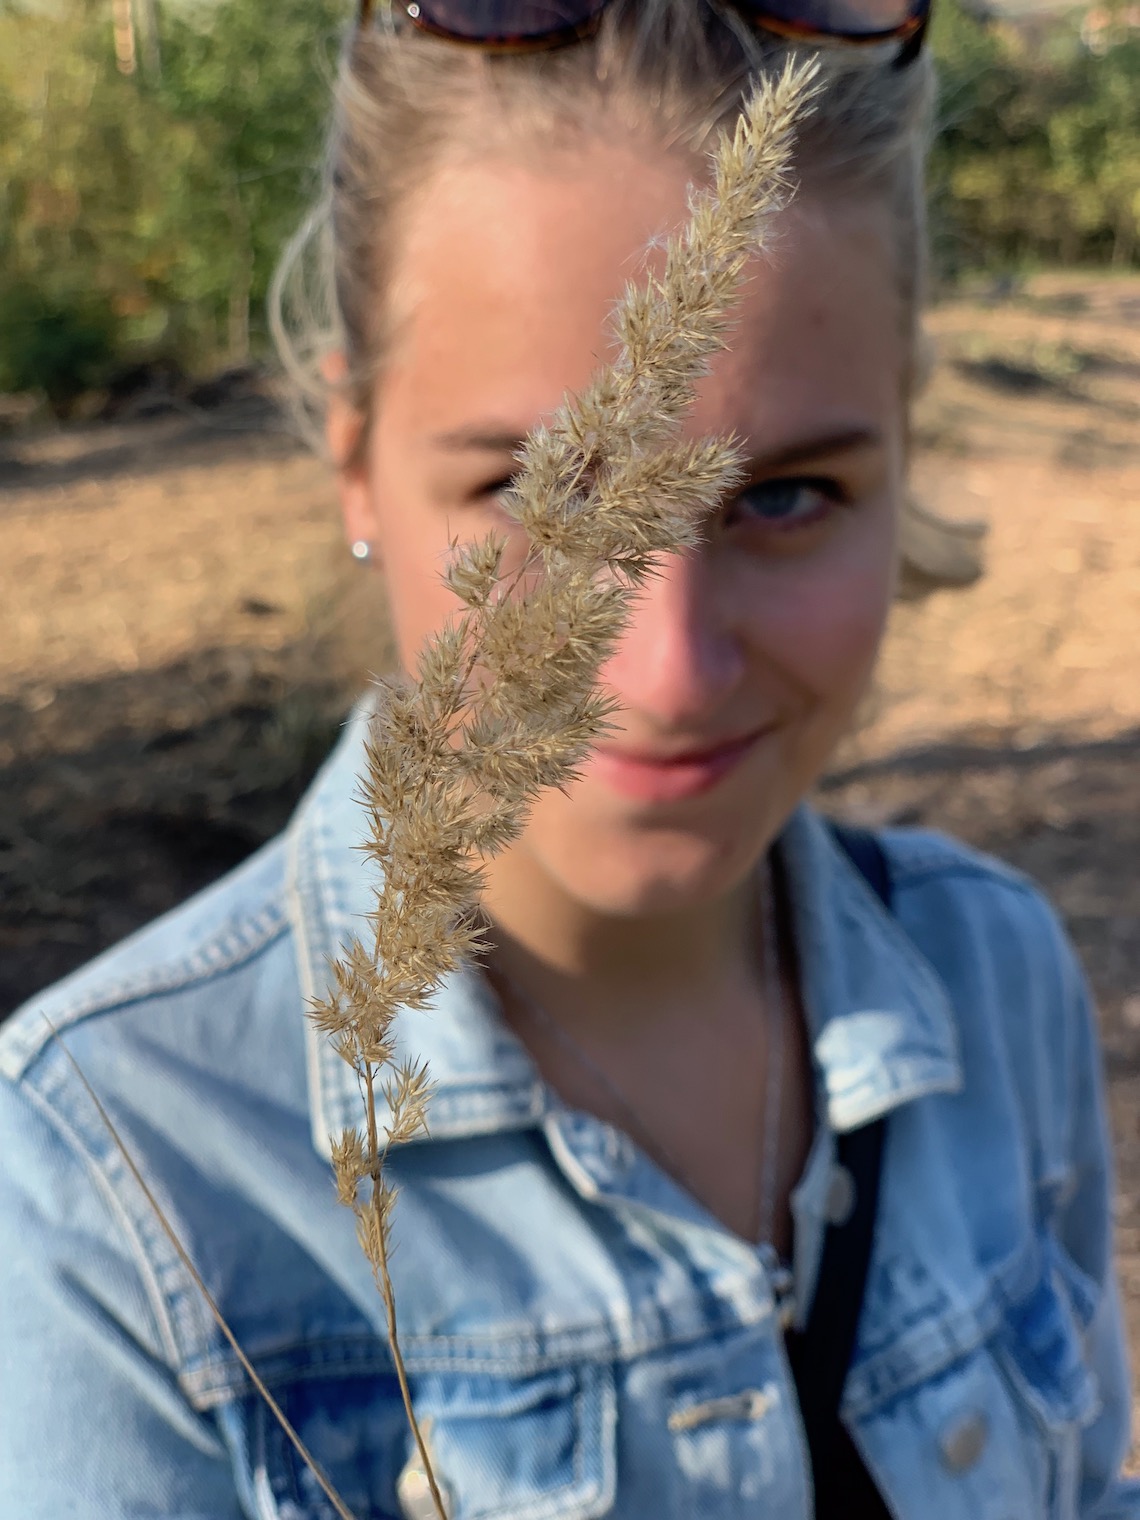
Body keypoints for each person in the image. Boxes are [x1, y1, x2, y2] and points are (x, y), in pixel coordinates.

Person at [0, 2, 1135, 1516]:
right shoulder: (102, 1192)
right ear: (355, 455)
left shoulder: (994, 978)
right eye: (540, 493)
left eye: (785, 495)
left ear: (905, 450)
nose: (663, 672)